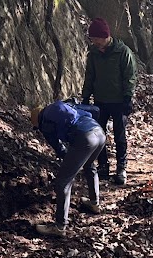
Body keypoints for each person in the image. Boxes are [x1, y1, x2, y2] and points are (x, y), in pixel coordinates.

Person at [31, 99, 105, 238]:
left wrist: (67, 158)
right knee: (89, 165)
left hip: (85, 138)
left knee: (63, 181)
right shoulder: (67, 105)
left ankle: (59, 226)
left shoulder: (45, 123)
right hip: (99, 132)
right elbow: (94, 110)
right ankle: (94, 203)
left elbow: (59, 147)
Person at [81, 18, 137, 186]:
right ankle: (103, 166)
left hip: (119, 102)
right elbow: (90, 76)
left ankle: (121, 168)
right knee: (99, 135)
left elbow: (130, 76)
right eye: (93, 39)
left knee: (120, 135)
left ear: (105, 36)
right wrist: (86, 96)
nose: (94, 42)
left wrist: (128, 97)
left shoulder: (123, 52)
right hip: (100, 101)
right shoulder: (94, 54)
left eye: (96, 39)